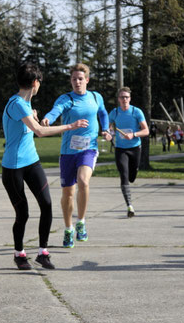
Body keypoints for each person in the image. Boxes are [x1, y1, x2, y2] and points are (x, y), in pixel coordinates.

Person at [2, 62, 88, 270]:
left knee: (47, 204)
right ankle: (19, 254)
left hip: (31, 162)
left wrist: (33, 117)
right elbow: (40, 132)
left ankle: (42, 252)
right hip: (13, 167)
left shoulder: (24, 106)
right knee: (22, 213)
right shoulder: (16, 104)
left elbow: (31, 129)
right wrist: (70, 126)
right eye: (39, 82)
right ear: (34, 83)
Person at [41, 63, 111, 249]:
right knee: (68, 193)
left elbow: (103, 113)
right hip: (68, 152)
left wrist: (105, 129)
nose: (77, 82)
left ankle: (81, 221)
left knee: (83, 181)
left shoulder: (96, 97)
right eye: (74, 79)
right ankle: (68, 228)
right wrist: (48, 118)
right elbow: (55, 111)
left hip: (89, 149)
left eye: (80, 79)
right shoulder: (66, 99)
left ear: (87, 80)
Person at [109, 87, 149, 217]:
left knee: (132, 177)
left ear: (130, 99)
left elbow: (146, 131)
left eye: (126, 97)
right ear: (118, 99)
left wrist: (134, 134)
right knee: (124, 175)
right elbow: (107, 129)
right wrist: (108, 134)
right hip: (121, 149)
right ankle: (129, 206)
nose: (124, 99)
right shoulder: (114, 113)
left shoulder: (136, 112)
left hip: (135, 148)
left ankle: (135, 171)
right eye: (122, 97)